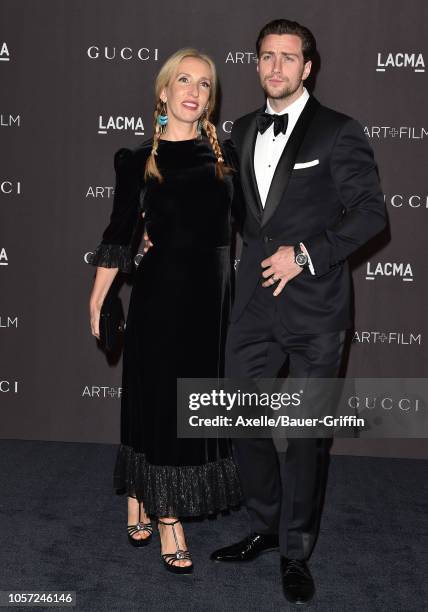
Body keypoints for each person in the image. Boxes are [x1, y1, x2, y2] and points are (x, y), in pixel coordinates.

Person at [209, 19, 387, 604]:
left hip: (316, 310)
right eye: (267, 57)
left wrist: (306, 254)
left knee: (306, 436)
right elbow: (230, 213)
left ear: (307, 67)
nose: (276, 67)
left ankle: (295, 549)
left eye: (288, 58)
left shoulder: (340, 132)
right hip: (253, 308)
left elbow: (369, 215)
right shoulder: (237, 130)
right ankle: (265, 523)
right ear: (256, 64)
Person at [88, 48, 242, 575]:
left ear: (210, 97)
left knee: (191, 403)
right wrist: (100, 294)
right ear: (164, 90)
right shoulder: (138, 161)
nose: (193, 91)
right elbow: (118, 233)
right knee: (156, 399)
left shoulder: (225, 155)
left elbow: (248, 224)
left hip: (212, 304)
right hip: (161, 298)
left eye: (204, 83)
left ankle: (141, 490)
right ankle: (166, 514)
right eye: (183, 79)